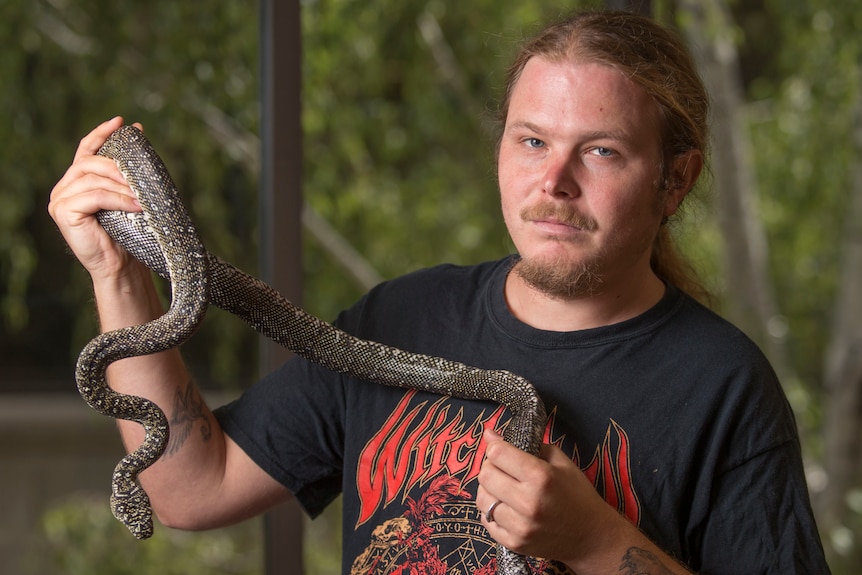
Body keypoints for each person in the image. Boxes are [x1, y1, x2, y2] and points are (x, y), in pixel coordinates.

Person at [49, 10, 829, 575]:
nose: (553, 182)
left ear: (675, 181)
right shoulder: (401, 319)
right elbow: (191, 487)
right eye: (531, 141)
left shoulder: (723, 385)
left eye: (600, 150)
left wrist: (592, 541)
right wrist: (119, 272)